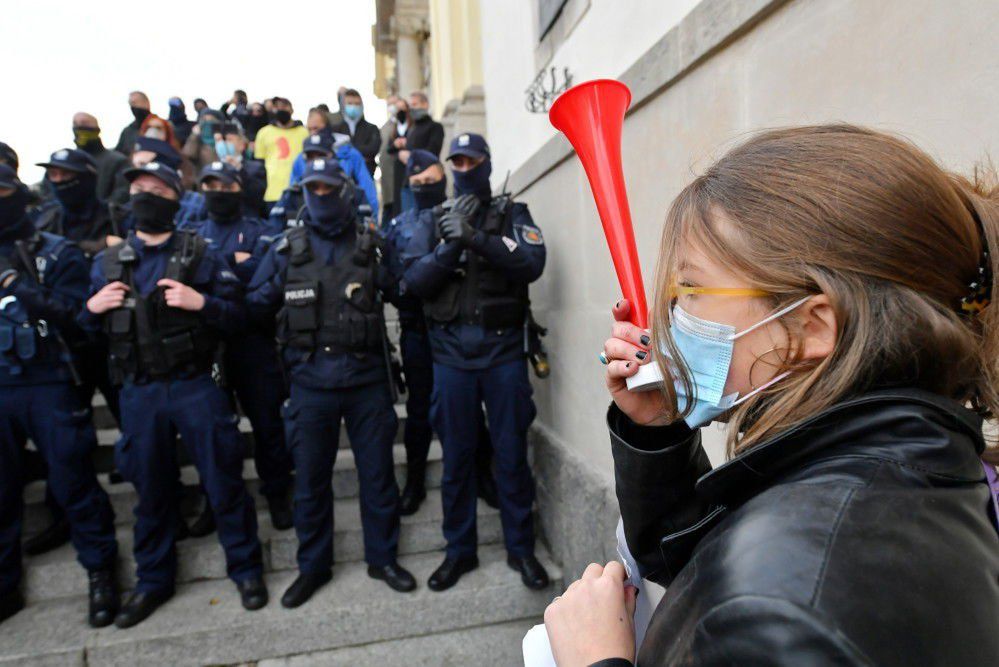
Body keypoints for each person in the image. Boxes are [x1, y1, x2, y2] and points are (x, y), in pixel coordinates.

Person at [544, 125, 999, 666]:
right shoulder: (904, 460)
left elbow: (745, 595)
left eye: (691, 289)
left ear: (812, 327)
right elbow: (709, 567)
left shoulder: (776, 610)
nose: (671, 317)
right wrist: (658, 427)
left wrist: (595, 660)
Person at [81, 161, 267, 628]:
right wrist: (90, 310)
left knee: (223, 480)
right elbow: (87, 335)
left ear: (174, 198)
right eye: (138, 188)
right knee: (151, 491)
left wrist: (203, 303)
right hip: (140, 392)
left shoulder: (200, 253)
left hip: (194, 385)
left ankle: (246, 569)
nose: (144, 195)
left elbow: (239, 317)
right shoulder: (108, 263)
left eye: (155, 189)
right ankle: (153, 581)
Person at [246, 157, 416, 608]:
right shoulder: (286, 248)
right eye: (314, 189)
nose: (322, 196)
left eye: (329, 188)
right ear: (304, 192)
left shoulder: (370, 244)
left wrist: (391, 261)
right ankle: (313, 567)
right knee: (310, 482)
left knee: (378, 476)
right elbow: (255, 305)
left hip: (366, 380)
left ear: (345, 190)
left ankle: (383, 559)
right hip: (309, 383)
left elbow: (404, 291)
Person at [403, 133, 550, 591]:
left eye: (472, 161)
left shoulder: (512, 213)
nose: (464, 169)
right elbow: (414, 281)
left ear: (486, 163)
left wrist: (478, 239)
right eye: (458, 162)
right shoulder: (433, 219)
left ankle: (521, 550)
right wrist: (450, 246)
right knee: (457, 460)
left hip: (503, 354)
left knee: (510, 455)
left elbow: (531, 262)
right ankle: (459, 552)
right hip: (451, 359)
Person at [0, 163, 119, 628]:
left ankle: (101, 570)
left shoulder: (55, 252)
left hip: (48, 381)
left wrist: (18, 287)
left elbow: (76, 316)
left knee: (73, 480)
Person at [181, 161, 293, 534]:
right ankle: (215, 501)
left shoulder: (262, 232)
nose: (218, 193)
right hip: (208, 344)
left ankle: (277, 492)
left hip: (254, 343)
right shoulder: (190, 235)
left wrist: (214, 270)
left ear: (238, 189)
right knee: (212, 432)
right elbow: (190, 281)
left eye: (225, 186)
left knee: (268, 424)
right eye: (210, 185)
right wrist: (233, 265)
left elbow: (264, 276)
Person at [384, 149, 497, 515]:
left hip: (453, 329)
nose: (423, 186)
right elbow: (393, 280)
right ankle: (414, 482)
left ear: (443, 180)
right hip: (417, 331)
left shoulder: (460, 214)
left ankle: (483, 476)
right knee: (419, 410)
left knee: (469, 409)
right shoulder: (398, 226)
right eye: (417, 182)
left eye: (430, 181)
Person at [33, 149, 114, 258]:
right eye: (53, 174)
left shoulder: (115, 218)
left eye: (66, 174)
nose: (59, 180)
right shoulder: (45, 219)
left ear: (87, 177)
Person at [253, 97, 309, 206]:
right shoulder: (263, 133)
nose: (280, 109)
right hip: (272, 194)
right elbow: (259, 165)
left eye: (284, 106)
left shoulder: (304, 133)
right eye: (277, 107)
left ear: (291, 109)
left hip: (299, 192)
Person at [71, 112, 130, 207]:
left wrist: (103, 211)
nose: (79, 127)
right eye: (75, 123)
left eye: (84, 123)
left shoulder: (117, 161)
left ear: (97, 128)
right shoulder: (67, 162)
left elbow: (122, 192)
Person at [330, 89, 380, 176]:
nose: (353, 107)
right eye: (349, 103)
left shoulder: (372, 129)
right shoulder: (336, 129)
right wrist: (361, 153)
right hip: (342, 176)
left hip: (367, 174)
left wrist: (347, 149)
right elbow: (333, 151)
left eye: (357, 104)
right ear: (343, 106)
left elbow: (372, 150)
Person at [378, 95, 403, 225]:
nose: (392, 107)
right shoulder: (384, 128)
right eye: (389, 104)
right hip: (388, 178)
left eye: (394, 103)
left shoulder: (406, 124)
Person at [183, 109, 226, 176]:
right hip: (204, 178)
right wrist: (194, 136)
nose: (207, 122)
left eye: (212, 120)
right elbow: (188, 154)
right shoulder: (198, 140)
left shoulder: (226, 139)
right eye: (204, 119)